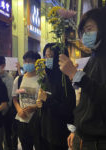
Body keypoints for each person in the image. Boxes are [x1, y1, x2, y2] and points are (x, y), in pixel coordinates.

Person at [59, 7, 106, 150]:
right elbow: (87, 101)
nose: (86, 34)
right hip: (86, 137)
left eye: (90, 29)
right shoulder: (94, 57)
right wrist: (77, 130)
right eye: (84, 31)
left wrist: (76, 75)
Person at [32, 43, 76, 150]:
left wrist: (47, 99)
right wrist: (40, 103)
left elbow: (68, 111)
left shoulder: (65, 81)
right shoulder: (46, 77)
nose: (48, 59)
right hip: (43, 132)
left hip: (58, 136)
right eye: (46, 56)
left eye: (51, 56)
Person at [12, 51, 41, 150]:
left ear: (37, 62)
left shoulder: (42, 79)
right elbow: (15, 98)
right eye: (25, 61)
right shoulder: (19, 80)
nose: (27, 63)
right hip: (22, 119)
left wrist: (35, 107)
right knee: (25, 146)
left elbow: (44, 100)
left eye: (31, 61)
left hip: (37, 120)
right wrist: (19, 110)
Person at [0, 55, 16, 150]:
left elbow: (9, 100)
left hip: (5, 113)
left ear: (3, 65)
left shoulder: (9, 78)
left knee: (7, 136)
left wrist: (1, 112)